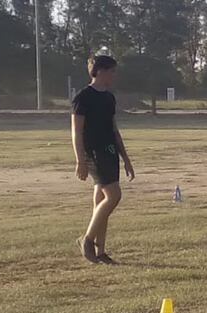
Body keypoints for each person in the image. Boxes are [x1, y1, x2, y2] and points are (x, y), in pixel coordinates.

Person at [71, 55, 134, 265]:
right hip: (94, 153)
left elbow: (114, 130)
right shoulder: (83, 97)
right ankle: (87, 240)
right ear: (100, 71)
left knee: (100, 200)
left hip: (109, 151)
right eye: (112, 71)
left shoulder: (109, 98)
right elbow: (76, 132)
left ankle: (100, 252)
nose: (115, 75)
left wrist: (126, 158)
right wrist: (80, 160)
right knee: (114, 195)